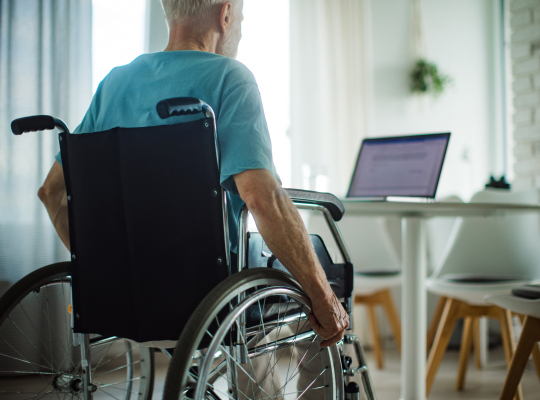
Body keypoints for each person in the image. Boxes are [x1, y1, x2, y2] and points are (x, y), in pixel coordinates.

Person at [38, 0, 347, 352]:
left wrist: (105, 267)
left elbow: (51, 192)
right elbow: (261, 198)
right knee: (322, 288)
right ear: (226, 15)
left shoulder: (113, 84)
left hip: (123, 297)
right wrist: (324, 298)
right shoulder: (231, 77)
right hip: (208, 301)